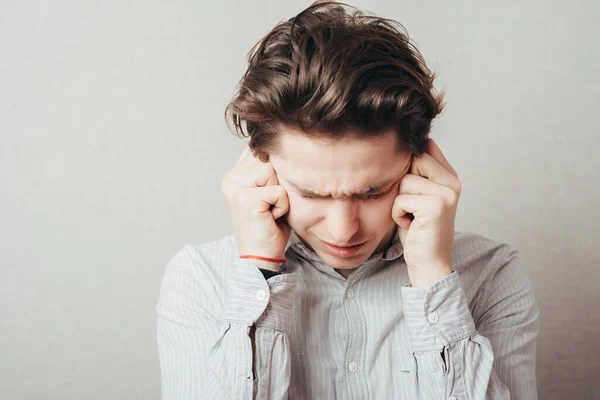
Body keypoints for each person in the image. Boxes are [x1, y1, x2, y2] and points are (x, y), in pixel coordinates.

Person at [156, 1, 540, 398]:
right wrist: (261, 273)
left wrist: (432, 281)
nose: (344, 229)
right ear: (261, 166)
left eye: (373, 192)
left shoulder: (491, 274)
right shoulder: (201, 280)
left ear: (418, 163)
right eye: (310, 193)